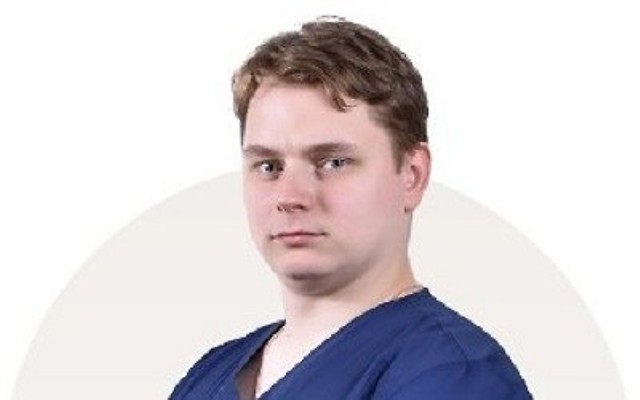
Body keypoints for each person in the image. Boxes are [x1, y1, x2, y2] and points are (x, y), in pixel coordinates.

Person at [171, 17, 532, 399]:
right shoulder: (208, 376)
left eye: (333, 162)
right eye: (269, 166)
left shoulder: (452, 376)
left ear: (412, 175)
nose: (290, 195)